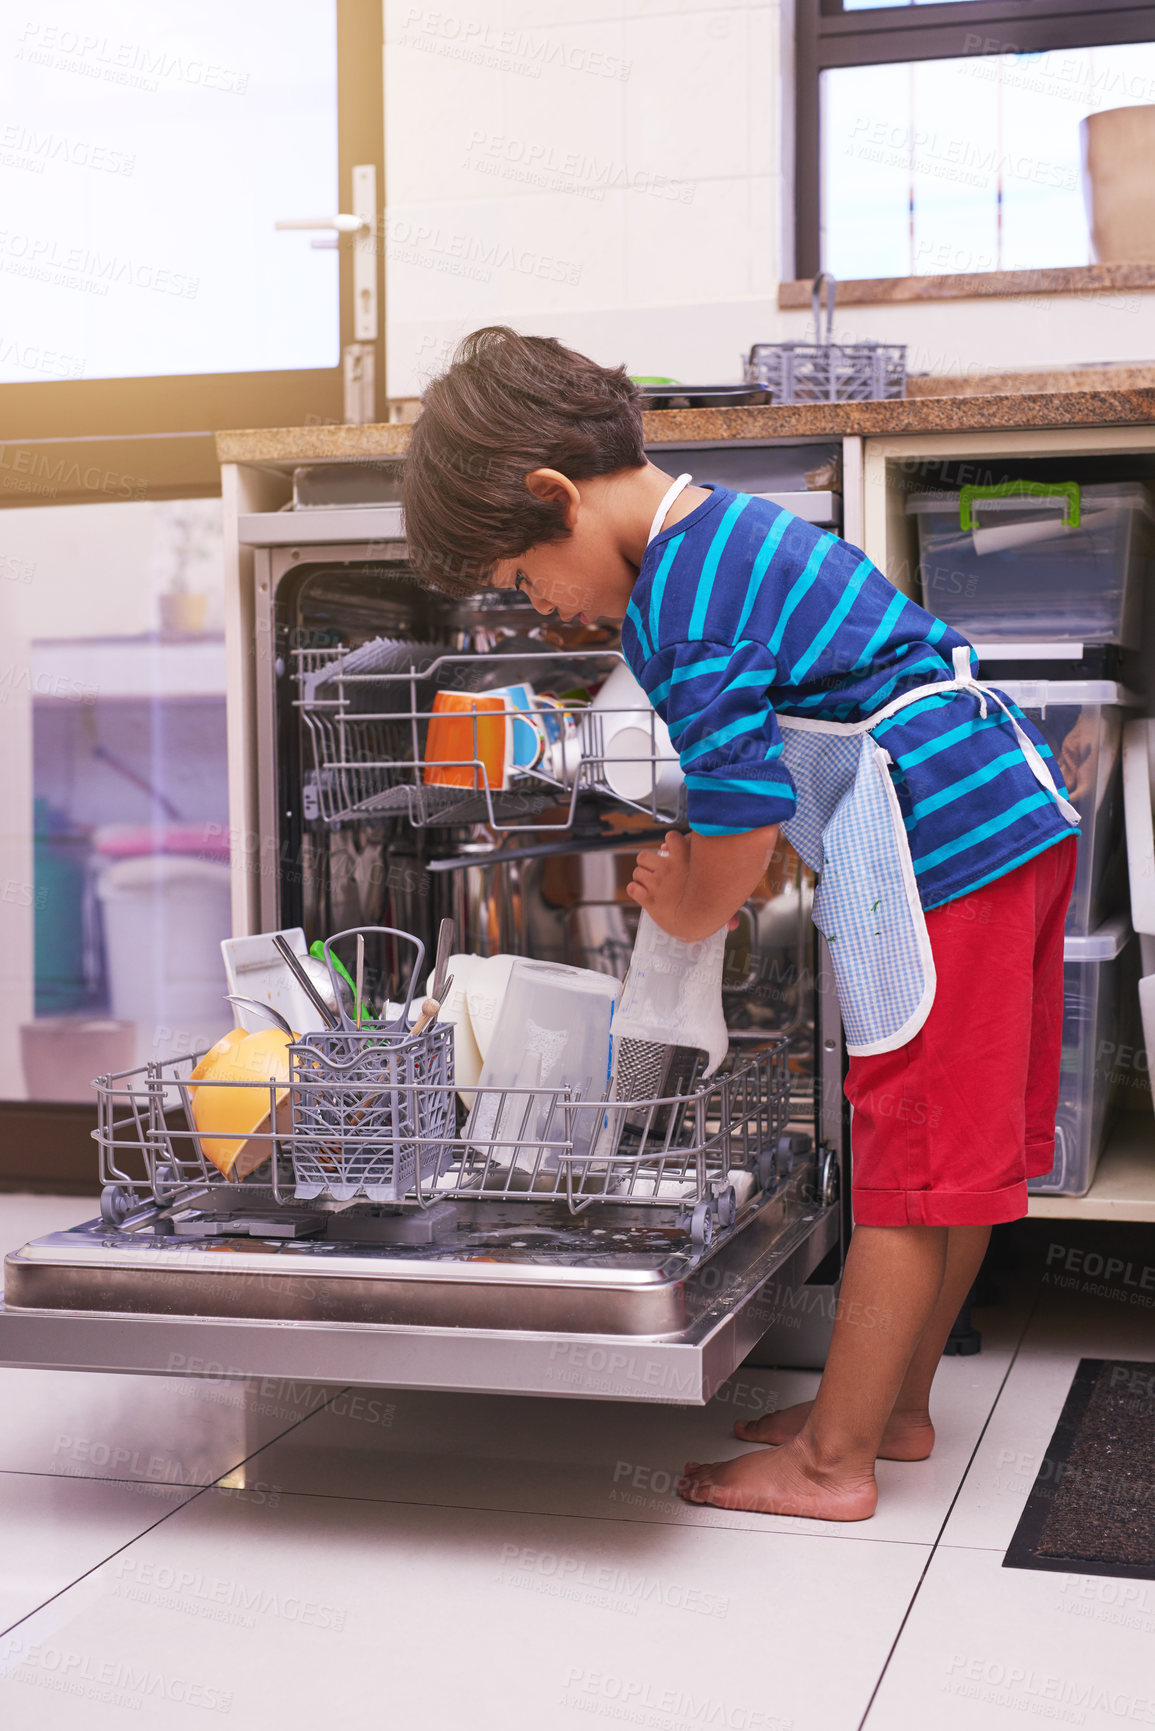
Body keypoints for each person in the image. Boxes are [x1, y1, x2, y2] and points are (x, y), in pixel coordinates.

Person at [402, 326, 1079, 1521]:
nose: (545, 612)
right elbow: (761, 780)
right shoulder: (727, 530)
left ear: (554, 499)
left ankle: (833, 1465)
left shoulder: (679, 606)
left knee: (906, 1166)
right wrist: (725, 860)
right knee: (958, 1163)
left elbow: (746, 814)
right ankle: (893, 1410)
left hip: (935, 842)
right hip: (1011, 817)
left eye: (521, 582)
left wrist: (691, 899)